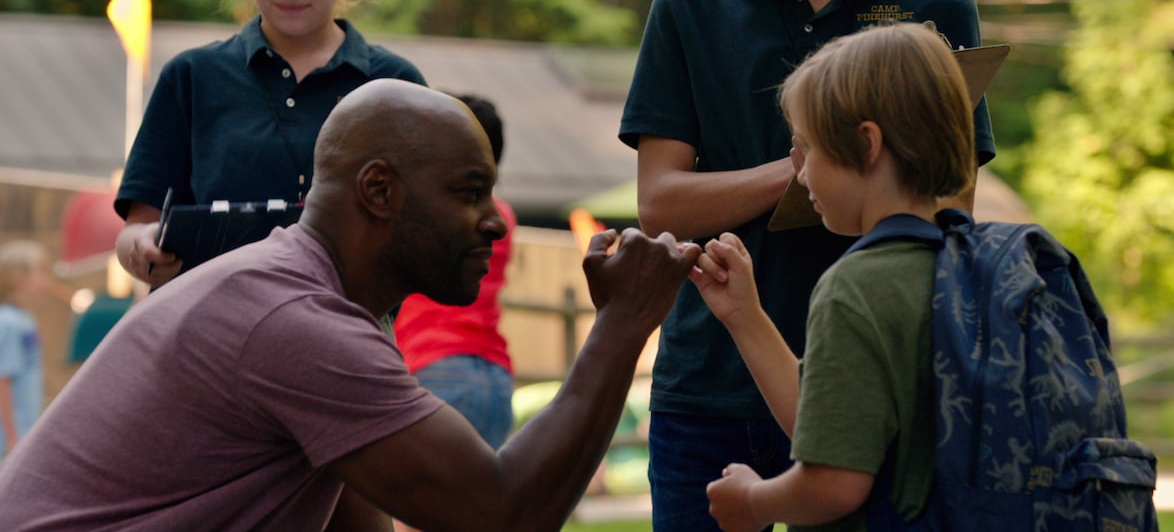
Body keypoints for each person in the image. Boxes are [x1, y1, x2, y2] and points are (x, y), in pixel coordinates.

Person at [0, 79, 702, 531]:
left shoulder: (317, 303)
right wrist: (622, 323)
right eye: (467, 192)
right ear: (378, 192)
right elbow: (501, 509)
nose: (493, 221)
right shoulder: (295, 322)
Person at [618, 0, 995, 529]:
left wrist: (838, 179)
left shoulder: (938, 8)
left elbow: (950, 215)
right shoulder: (691, 6)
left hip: (878, 382)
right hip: (713, 386)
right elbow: (658, 206)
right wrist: (804, 173)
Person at [693, 22, 977, 531]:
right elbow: (828, 422)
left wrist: (754, 501)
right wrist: (744, 315)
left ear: (867, 144)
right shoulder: (969, 266)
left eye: (807, 149)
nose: (800, 174)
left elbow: (834, 480)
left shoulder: (855, 288)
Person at [115, 0, 426, 289]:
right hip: (211, 344)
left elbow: (421, 234)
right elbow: (135, 229)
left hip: (344, 347)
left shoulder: (395, 86)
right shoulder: (192, 78)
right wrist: (144, 248)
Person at [393, 93, 517, 451]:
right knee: (481, 502)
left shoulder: (440, 211)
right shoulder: (503, 215)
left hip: (435, 364)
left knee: (419, 504)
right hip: (494, 374)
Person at [0, 241, 46, 459]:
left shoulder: (24, 319)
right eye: (40, 273)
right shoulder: (9, 322)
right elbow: (3, 380)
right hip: (12, 436)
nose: (45, 281)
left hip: (25, 430)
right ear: (18, 279)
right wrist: (11, 436)